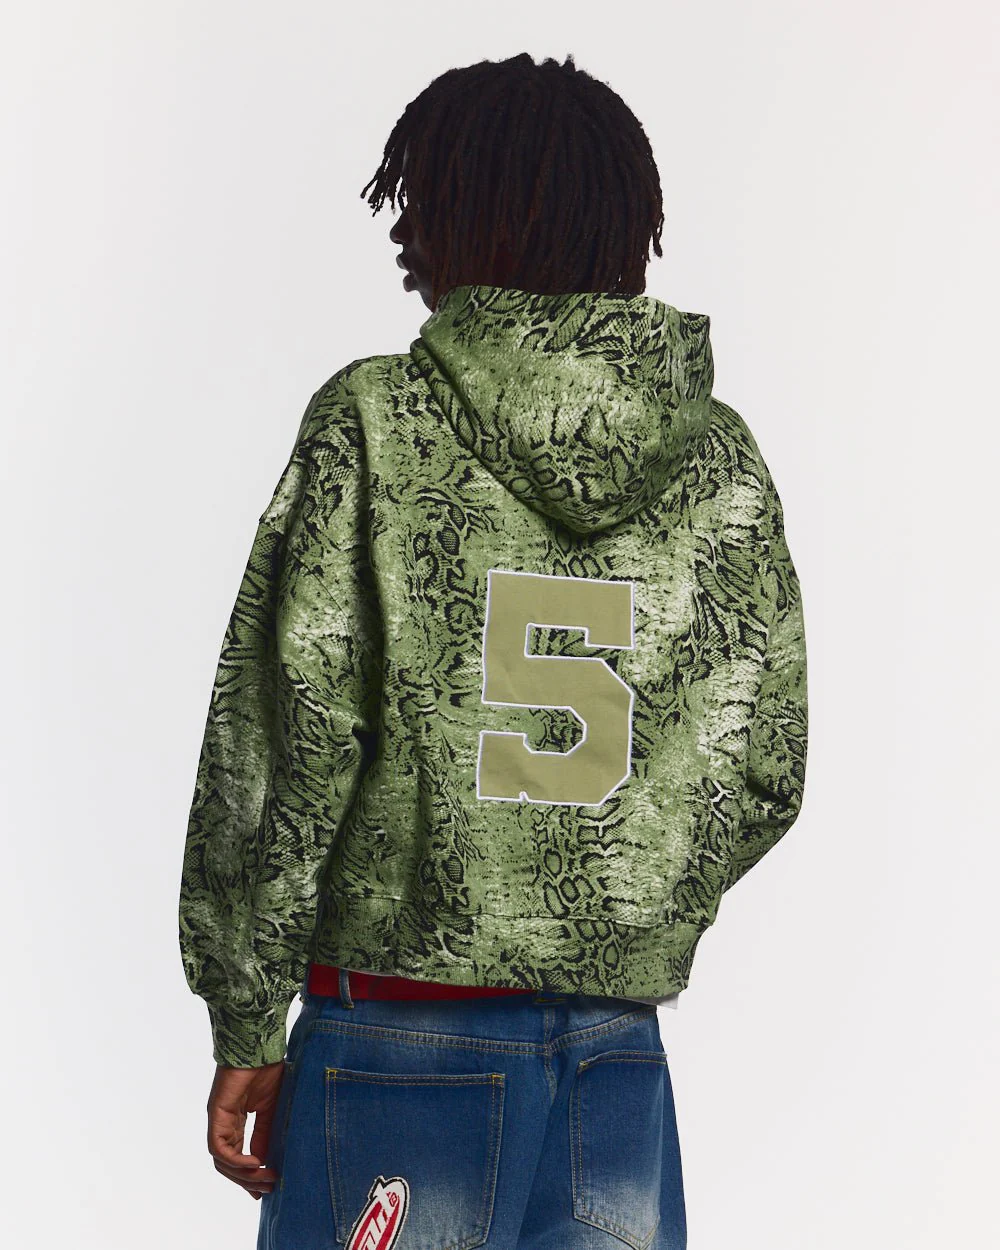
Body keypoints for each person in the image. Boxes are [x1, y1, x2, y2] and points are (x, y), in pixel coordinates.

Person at [178, 51, 808, 1250]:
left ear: (465, 215)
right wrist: (619, 902)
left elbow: (282, 744)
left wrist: (246, 1013)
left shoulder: (376, 421)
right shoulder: (717, 457)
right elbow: (765, 765)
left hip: (396, 1039)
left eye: (418, 201)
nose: (403, 235)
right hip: (616, 1054)